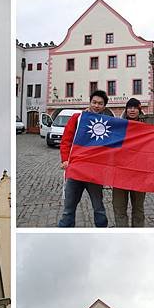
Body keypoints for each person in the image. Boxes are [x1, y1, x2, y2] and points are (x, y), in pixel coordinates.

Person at [58, 90, 110, 227]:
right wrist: (65, 159)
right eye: (94, 102)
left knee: (99, 209)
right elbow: (66, 140)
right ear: (90, 102)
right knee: (68, 211)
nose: (96, 106)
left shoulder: (107, 123)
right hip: (76, 171)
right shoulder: (77, 118)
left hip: (95, 173)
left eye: (100, 103)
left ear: (104, 106)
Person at [112, 98, 146, 227]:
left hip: (139, 175)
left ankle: (137, 233)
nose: (132, 110)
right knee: (119, 208)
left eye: (135, 108)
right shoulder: (118, 126)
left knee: (138, 209)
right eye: (130, 107)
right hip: (120, 174)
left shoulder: (146, 127)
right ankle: (123, 232)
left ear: (139, 110)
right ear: (126, 109)